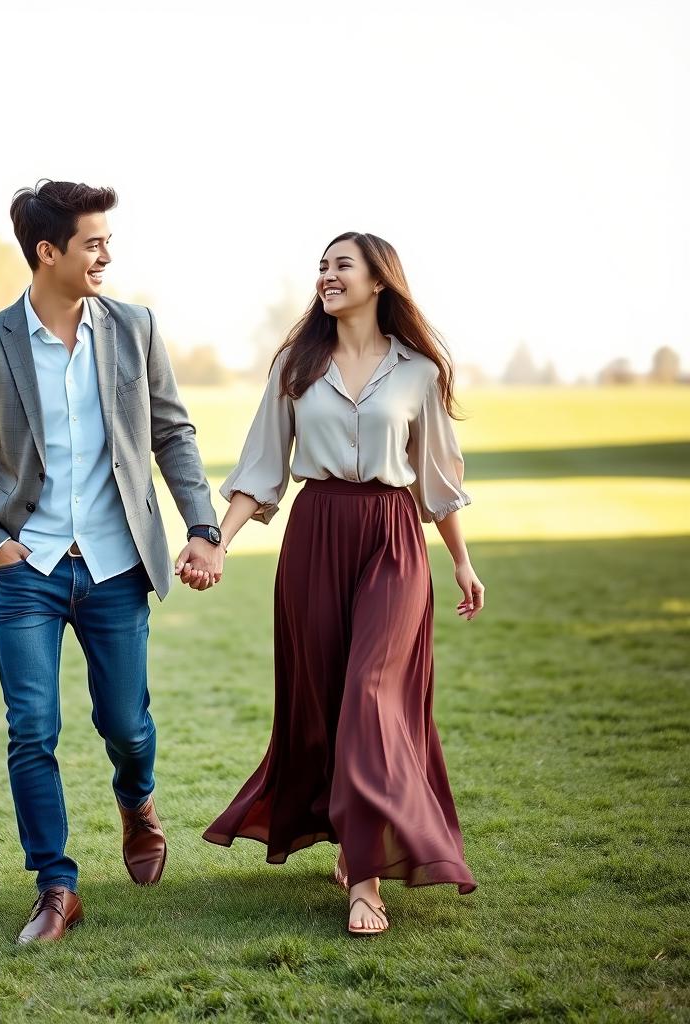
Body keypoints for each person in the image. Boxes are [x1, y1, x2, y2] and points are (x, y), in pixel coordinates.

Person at [0, 180, 225, 944]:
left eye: (106, 240)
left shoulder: (135, 329)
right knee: (31, 728)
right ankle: (57, 886)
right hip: (25, 568)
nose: (106, 253)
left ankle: (138, 802)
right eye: (93, 242)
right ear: (48, 252)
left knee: (126, 724)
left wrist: (203, 525)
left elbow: (173, 434)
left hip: (115, 565)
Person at [199, 231, 483, 936]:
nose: (327, 276)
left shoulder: (418, 372)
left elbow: (439, 483)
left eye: (341, 265)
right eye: (321, 267)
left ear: (379, 281)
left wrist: (461, 561)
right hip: (315, 533)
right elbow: (261, 467)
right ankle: (353, 839)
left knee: (369, 693)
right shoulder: (297, 366)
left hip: (392, 539)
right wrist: (218, 542)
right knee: (326, 701)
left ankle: (365, 881)